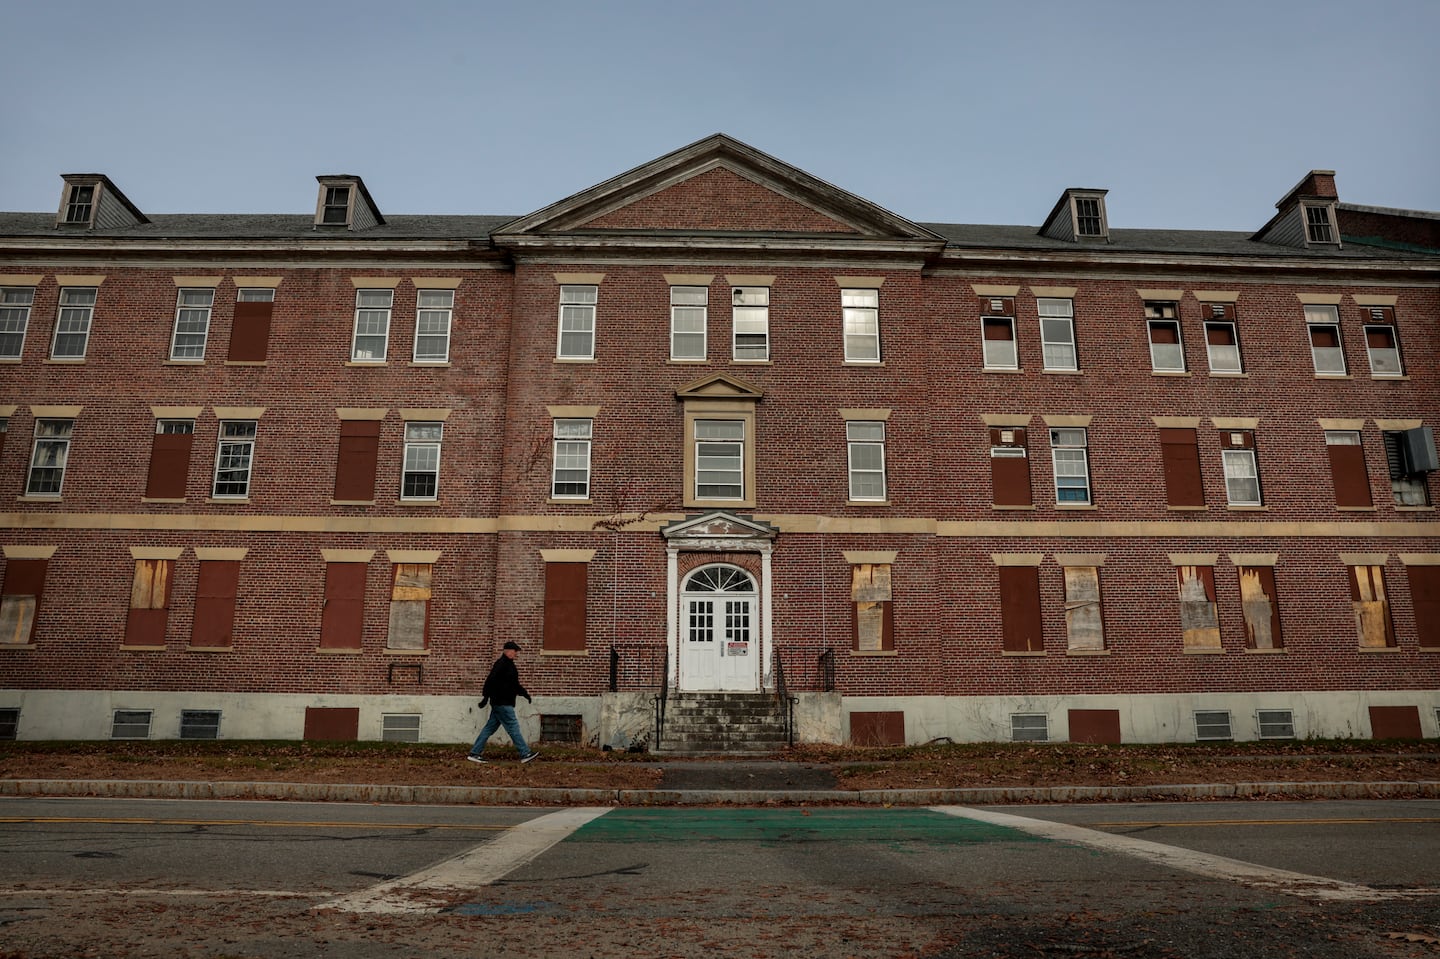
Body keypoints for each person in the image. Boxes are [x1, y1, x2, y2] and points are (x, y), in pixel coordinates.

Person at [467, 641, 538, 763]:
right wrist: (485, 697)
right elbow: (490, 680)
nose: (515, 653)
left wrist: (524, 693)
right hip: (502, 702)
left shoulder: (509, 665)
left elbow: (514, 684)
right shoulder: (501, 664)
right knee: (513, 727)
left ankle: (474, 753)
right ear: (507, 650)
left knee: (489, 728)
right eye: (514, 651)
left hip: (502, 703)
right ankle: (525, 753)